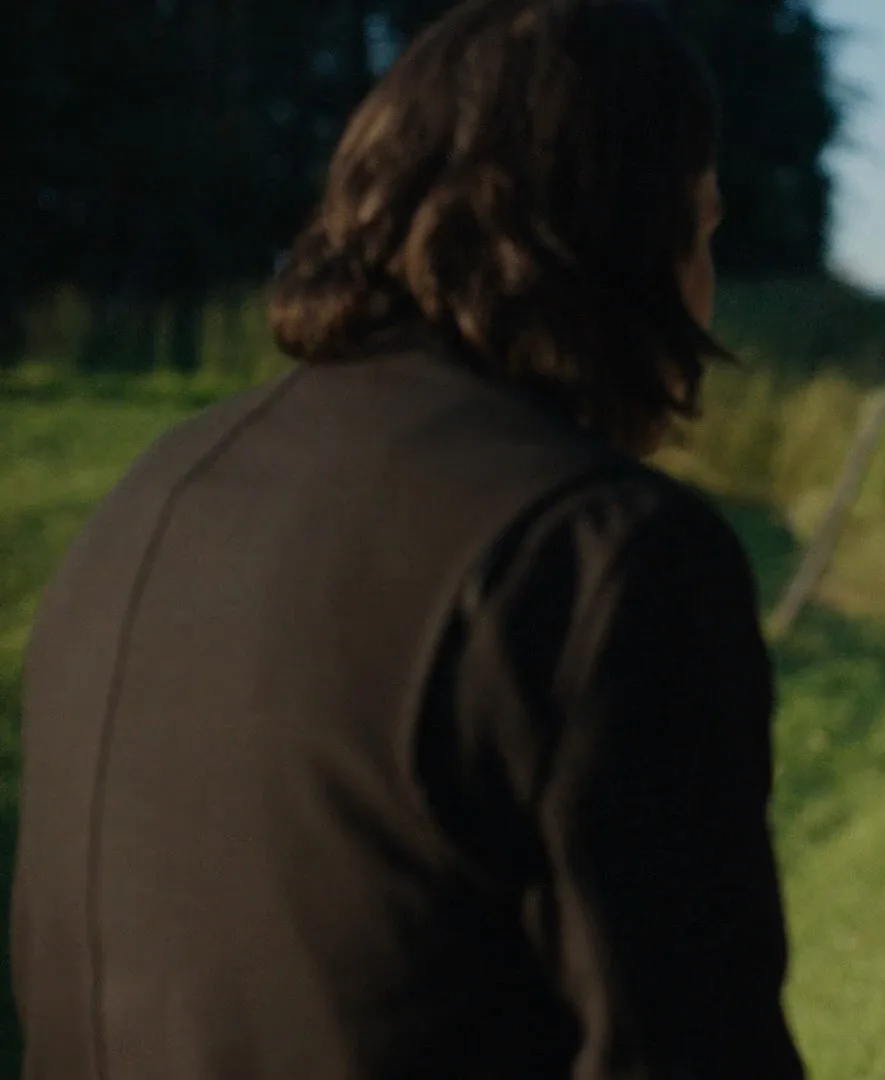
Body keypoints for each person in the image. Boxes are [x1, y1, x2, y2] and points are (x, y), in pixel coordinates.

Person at [10, 2, 803, 1078]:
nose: (707, 297)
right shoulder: (601, 556)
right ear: (626, 238)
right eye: (701, 233)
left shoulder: (152, 494)